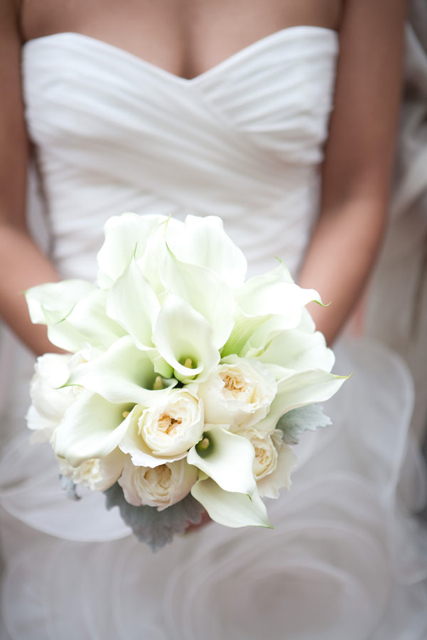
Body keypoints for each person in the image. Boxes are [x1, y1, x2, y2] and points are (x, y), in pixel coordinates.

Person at [0, 0, 426, 638]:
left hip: (294, 404)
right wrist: (116, 412)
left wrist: (261, 403)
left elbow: (356, 197)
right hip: (88, 400)